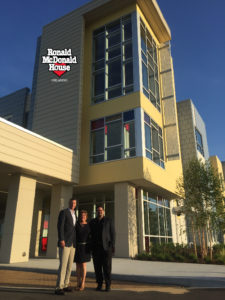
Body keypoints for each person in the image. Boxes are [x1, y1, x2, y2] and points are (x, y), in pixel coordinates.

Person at [90, 206, 115, 292]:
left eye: (101, 210)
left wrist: (112, 246)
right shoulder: (92, 222)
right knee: (97, 268)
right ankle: (99, 284)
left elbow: (113, 233)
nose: (99, 212)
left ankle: (108, 285)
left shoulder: (109, 220)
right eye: (98, 211)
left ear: (103, 212)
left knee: (107, 267)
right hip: (96, 249)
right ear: (96, 212)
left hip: (106, 248)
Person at [55, 197, 77, 295]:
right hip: (65, 242)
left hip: (73, 244)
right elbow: (60, 227)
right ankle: (58, 287)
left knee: (69, 266)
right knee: (63, 265)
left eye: (75, 203)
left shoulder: (75, 214)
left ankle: (66, 285)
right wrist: (61, 239)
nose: (73, 204)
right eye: (72, 203)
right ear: (69, 203)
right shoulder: (63, 212)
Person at [74, 210, 91, 291]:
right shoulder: (76, 225)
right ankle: (78, 282)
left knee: (83, 265)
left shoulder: (89, 225)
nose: (82, 216)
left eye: (84, 215)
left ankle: (83, 283)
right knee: (78, 265)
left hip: (85, 247)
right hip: (77, 247)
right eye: (81, 215)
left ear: (86, 217)